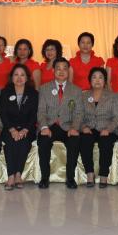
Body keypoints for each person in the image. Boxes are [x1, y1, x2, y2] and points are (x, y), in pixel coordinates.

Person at [37, 57, 83, 189]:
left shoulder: (76, 90)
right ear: (53, 71)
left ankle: (70, 178)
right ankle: (44, 178)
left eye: (64, 69)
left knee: (75, 141)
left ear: (68, 71)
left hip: (68, 127)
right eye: (58, 68)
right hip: (50, 126)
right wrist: (44, 127)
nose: (61, 71)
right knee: (43, 142)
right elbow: (41, 111)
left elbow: (79, 112)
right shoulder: (44, 88)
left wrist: (74, 128)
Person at [0, 64, 38, 190]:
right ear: (12, 77)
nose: (19, 78)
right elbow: (3, 113)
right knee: (10, 142)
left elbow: (34, 114)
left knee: (24, 142)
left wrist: (25, 129)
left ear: (27, 78)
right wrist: (12, 130)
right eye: (16, 75)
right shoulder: (5, 92)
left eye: (22, 75)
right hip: (9, 128)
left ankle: (18, 175)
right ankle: (11, 176)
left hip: (27, 128)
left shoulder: (33, 93)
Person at [79, 67, 118, 188]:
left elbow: (117, 117)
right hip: (89, 127)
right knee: (85, 140)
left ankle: (103, 175)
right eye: (94, 77)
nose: (97, 80)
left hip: (106, 128)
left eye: (100, 77)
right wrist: (83, 127)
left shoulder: (112, 96)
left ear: (105, 81)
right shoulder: (83, 96)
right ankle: (89, 173)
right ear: (90, 80)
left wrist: (108, 129)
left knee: (106, 142)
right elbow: (78, 115)